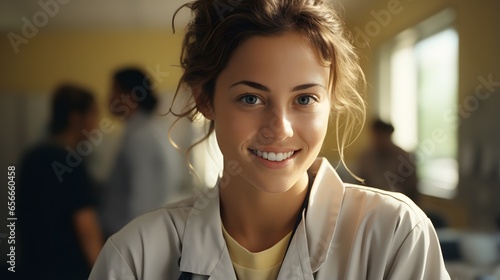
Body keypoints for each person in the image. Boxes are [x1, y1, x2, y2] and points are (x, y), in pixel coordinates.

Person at [90, 0, 450, 279]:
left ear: (330, 101)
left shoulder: (396, 236)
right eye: (251, 98)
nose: (280, 129)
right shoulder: (135, 256)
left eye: (304, 99)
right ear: (205, 99)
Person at [18, 84, 103, 280]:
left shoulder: (32, 156)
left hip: (33, 268)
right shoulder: (71, 162)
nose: (96, 123)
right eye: (93, 114)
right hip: (68, 271)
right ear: (75, 117)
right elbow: (87, 230)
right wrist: (103, 272)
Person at [99, 67, 169, 238]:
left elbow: (142, 202)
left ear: (130, 97)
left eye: (114, 90)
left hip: (128, 236)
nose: (108, 98)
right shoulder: (142, 132)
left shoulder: (141, 138)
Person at [357, 119, 419, 203]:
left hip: (398, 203)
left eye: (382, 135)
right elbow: (360, 184)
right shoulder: (366, 156)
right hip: (371, 203)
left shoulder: (404, 158)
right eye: (376, 135)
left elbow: (412, 190)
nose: (378, 139)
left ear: (389, 135)